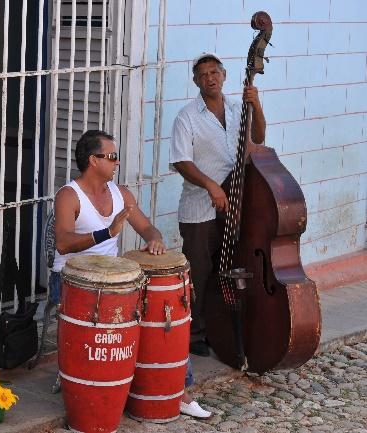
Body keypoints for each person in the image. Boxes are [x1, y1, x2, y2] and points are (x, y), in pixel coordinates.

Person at [53, 129, 210, 418]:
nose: (117, 162)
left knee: (164, 318)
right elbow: (62, 243)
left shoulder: (121, 194)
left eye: (117, 157)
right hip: (71, 282)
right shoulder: (69, 195)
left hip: (114, 282)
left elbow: (149, 227)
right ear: (93, 160)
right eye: (112, 157)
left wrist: (154, 240)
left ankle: (177, 391)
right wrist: (106, 233)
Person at [170, 53, 266, 358]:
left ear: (224, 76)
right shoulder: (187, 117)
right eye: (203, 74)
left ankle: (219, 327)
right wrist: (211, 185)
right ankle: (194, 332)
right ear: (196, 81)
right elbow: (181, 161)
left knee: (228, 268)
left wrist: (257, 105)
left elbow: (259, 138)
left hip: (235, 202)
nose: (210, 78)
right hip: (200, 207)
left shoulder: (240, 109)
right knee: (199, 272)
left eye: (215, 72)